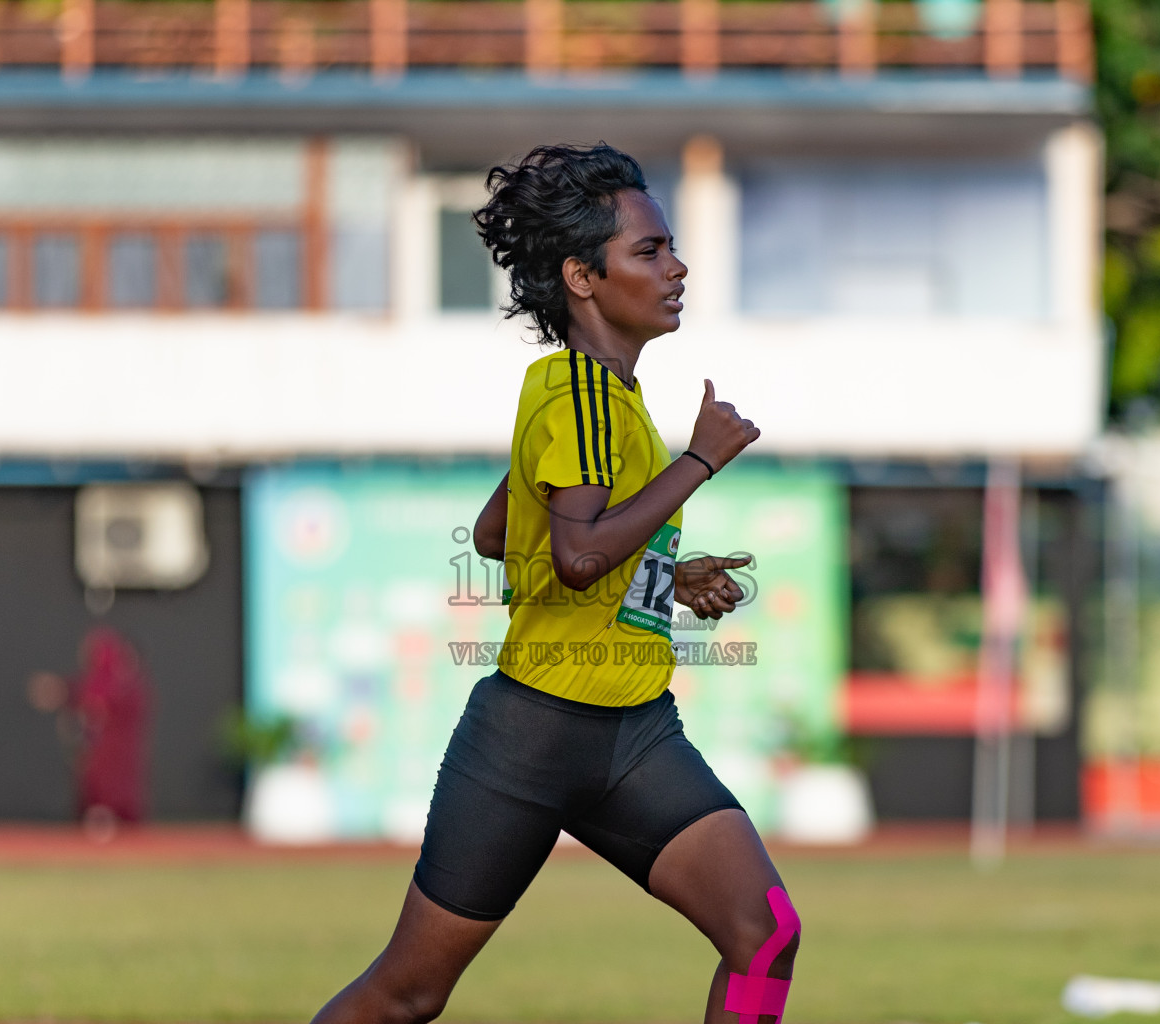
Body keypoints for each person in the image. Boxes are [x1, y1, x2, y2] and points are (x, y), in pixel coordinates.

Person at [310, 143, 797, 1024]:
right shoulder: (579, 396)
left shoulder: (598, 396)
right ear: (581, 276)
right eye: (649, 252)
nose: (676, 267)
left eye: (670, 248)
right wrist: (699, 460)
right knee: (407, 995)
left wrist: (665, 574)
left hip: (636, 736)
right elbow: (574, 558)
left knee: (762, 932)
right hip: (533, 738)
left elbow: (505, 535)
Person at [29, 626, 151, 837]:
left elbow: (93, 701)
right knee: (97, 814)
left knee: (117, 816)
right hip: (97, 761)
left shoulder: (124, 684)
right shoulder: (100, 681)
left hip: (115, 762)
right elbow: (72, 693)